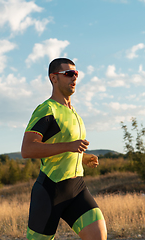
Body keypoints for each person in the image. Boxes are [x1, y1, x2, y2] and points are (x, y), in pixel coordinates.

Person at [21, 58, 107, 240]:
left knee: (98, 236)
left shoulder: (74, 113)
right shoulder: (47, 109)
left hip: (77, 188)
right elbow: (28, 149)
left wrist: (83, 157)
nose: (74, 78)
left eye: (76, 74)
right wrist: (70, 146)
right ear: (54, 78)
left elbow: (65, 147)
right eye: (68, 74)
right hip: (50, 191)